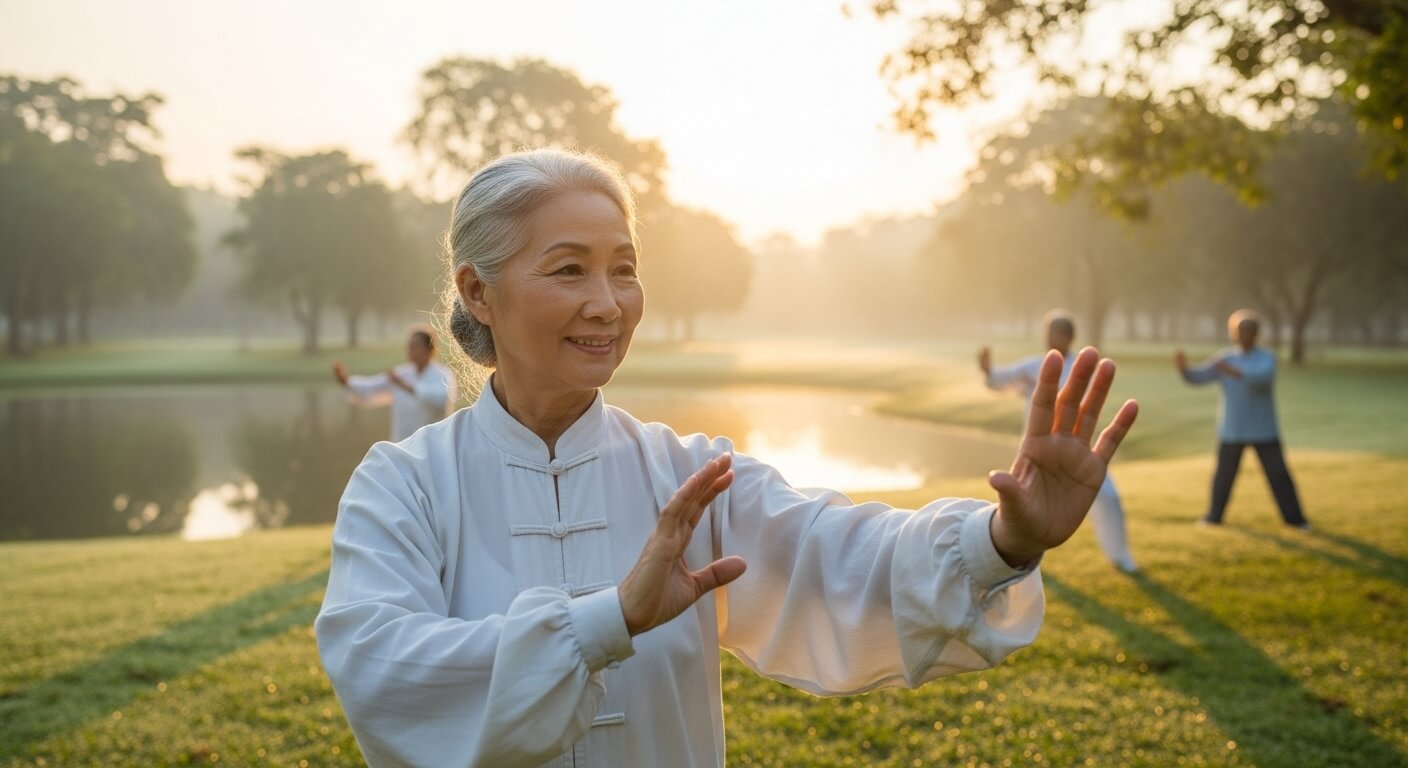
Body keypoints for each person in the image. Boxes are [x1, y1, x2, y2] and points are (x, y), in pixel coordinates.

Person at [315, 149, 1139, 768]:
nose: (607, 304)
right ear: (479, 291)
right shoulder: (406, 486)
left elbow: (842, 557)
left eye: (624, 270)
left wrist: (1005, 540)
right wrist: (612, 620)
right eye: (569, 270)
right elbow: (383, 670)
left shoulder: (691, 478)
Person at [979, 310, 1138, 573]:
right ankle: (1018, 558)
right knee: (1025, 508)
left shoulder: (1081, 367)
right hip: (1036, 455)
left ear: (1070, 337)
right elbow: (1000, 379)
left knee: (1108, 497)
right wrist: (988, 370)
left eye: (1059, 333)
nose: (1053, 338)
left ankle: (1120, 555)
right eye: (1049, 332)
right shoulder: (1035, 366)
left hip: (1077, 452)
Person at [1176, 309, 1309, 529]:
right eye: (1239, 331)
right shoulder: (1225, 357)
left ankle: (1295, 520)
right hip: (1232, 429)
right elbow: (1199, 377)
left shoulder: (1266, 357)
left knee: (1278, 475)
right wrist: (1184, 370)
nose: (1243, 335)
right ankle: (1214, 517)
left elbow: (1261, 380)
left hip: (1263, 428)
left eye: (1248, 331)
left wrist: (1232, 371)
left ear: (1256, 334)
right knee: (1223, 477)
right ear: (1233, 333)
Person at [331, 324, 456, 443]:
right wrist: (348, 382)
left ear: (429, 349)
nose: (410, 350)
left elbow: (442, 398)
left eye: (416, 346)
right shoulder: (402, 374)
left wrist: (408, 388)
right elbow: (373, 386)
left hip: (432, 446)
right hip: (402, 445)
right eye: (410, 346)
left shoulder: (441, 375)